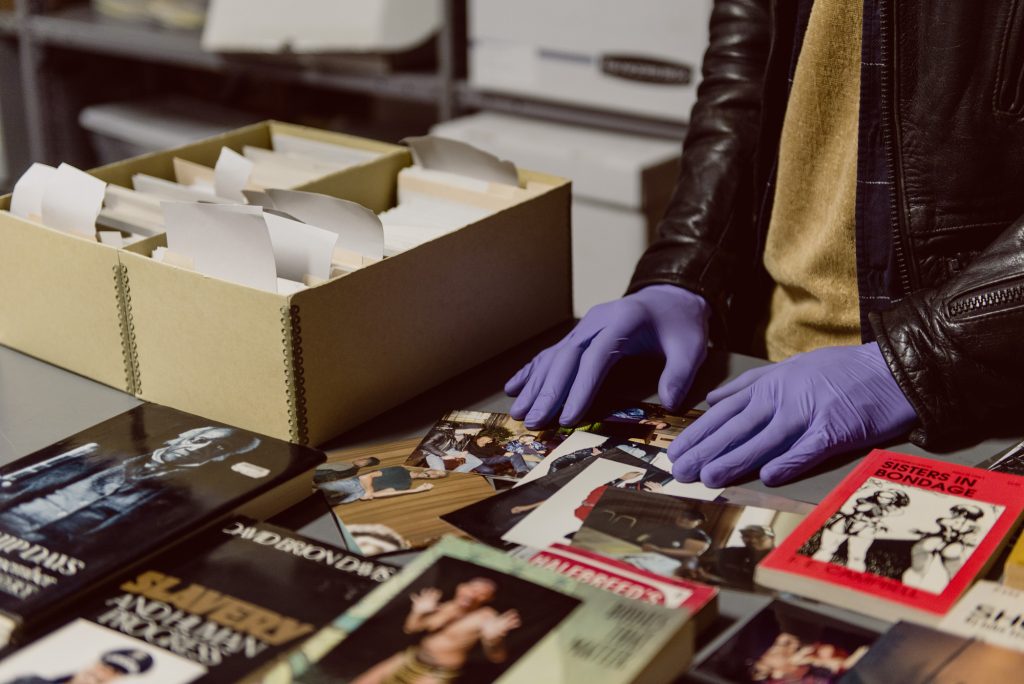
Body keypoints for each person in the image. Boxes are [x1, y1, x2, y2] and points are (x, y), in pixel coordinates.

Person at [505, 0, 1024, 489]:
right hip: (761, 371)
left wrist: (922, 355)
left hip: (967, 402)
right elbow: (743, 77)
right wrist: (682, 270)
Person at [0, 427, 260, 544]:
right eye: (201, 439)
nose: (201, 448)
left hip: (55, 554)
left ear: (222, 457)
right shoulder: (90, 454)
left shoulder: (182, 500)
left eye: (219, 447)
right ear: (182, 438)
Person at [352, 578, 521, 684]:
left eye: (483, 593)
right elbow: (411, 628)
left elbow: (497, 657)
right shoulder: (446, 606)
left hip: (437, 673)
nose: (475, 593)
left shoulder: (485, 616)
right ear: (461, 587)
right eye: (473, 588)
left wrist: (493, 639)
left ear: (488, 599)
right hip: (412, 657)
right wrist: (417, 612)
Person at [811, 488, 909, 573]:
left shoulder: (895, 510)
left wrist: (877, 521)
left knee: (857, 557)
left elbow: (890, 521)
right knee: (826, 549)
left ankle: (852, 578)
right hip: (845, 523)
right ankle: (812, 569)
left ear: (893, 500)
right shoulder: (864, 501)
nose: (882, 499)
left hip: (865, 529)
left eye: (887, 498)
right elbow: (847, 509)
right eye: (881, 496)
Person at [902, 504, 984, 592]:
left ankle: (956, 583)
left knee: (951, 552)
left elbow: (971, 538)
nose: (954, 514)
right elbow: (942, 523)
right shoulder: (952, 522)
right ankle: (918, 572)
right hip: (942, 541)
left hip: (955, 544)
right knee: (928, 546)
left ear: (963, 513)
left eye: (956, 512)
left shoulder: (970, 525)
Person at [3, 648, 154, 684]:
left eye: (113, 671)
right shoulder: (30, 681)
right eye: (104, 666)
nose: (101, 673)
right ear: (95, 664)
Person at [319, 467, 447, 505]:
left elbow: (377, 495)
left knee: (322, 504)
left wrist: (416, 490)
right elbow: (365, 477)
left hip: (359, 494)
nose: (434, 474)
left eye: (437, 476)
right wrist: (369, 491)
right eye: (435, 471)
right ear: (428, 469)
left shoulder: (406, 485)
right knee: (316, 492)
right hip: (355, 484)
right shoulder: (400, 470)